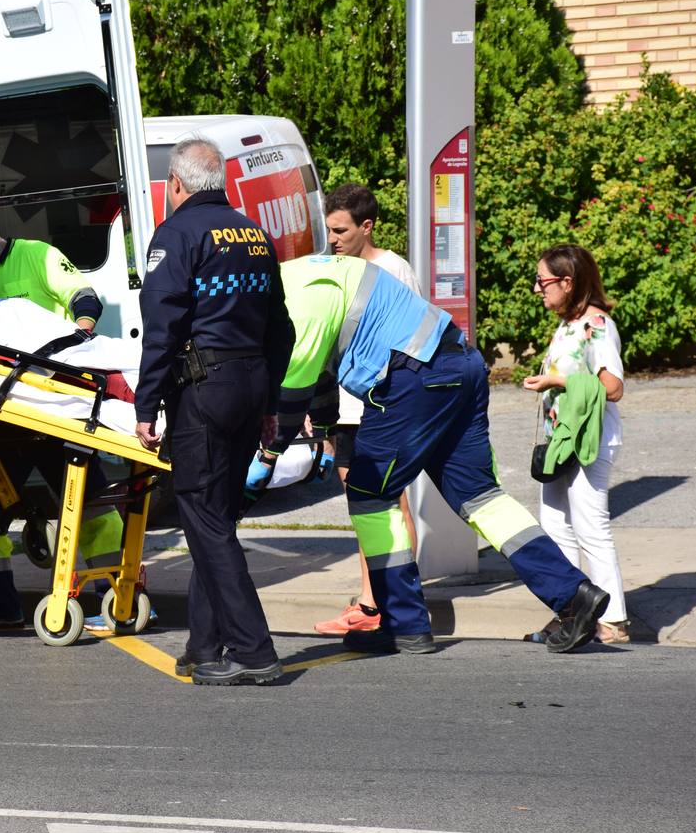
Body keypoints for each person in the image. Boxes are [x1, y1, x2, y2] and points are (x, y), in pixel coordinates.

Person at [254, 252, 609, 655]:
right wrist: (322, 432)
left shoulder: (296, 305)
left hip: (413, 378)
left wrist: (267, 457)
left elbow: (292, 397)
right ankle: (573, 594)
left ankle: (405, 624)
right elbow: (320, 381)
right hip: (461, 363)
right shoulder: (305, 273)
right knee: (480, 495)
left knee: (370, 496)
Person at [134, 138, 294, 686]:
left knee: (203, 519)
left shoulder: (176, 235)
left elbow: (162, 329)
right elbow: (282, 326)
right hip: (250, 383)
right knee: (215, 522)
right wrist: (270, 401)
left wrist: (145, 405)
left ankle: (253, 649)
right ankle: (205, 647)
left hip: (204, 387)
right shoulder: (253, 234)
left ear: (176, 184)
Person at [0, 202, 127, 629]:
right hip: (2, 419)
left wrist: (80, 341)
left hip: (52, 411)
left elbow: (83, 297)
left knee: (91, 505)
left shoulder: (37, 256)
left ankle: (119, 597)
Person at [314, 184, 421, 636]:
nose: (332, 238)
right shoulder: (337, 268)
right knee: (363, 507)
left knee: (387, 505)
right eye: (329, 229)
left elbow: (414, 339)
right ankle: (371, 598)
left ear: (367, 227)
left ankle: (385, 601)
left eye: (340, 230)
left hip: (382, 407)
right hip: (345, 407)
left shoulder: (393, 270)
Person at [522, 245, 629, 644]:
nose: (537, 289)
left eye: (543, 281)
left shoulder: (596, 324)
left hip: (590, 440)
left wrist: (556, 382)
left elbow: (612, 387)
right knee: (554, 525)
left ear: (568, 282)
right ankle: (571, 609)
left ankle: (612, 620)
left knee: (590, 526)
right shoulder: (568, 325)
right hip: (562, 441)